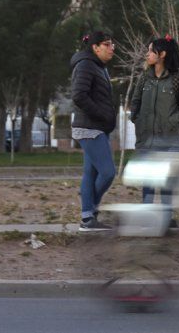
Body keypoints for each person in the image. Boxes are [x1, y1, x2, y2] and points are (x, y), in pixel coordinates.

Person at [129, 35, 179, 225]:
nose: (147, 54)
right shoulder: (145, 77)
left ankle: (167, 216)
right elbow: (135, 101)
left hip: (168, 139)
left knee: (166, 180)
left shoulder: (177, 79)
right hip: (146, 138)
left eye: (151, 51)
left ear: (162, 54)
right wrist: (137, 120)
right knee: (147, 179)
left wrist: (171, 122)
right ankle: (146, 215)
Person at [70, 31, 117, 232]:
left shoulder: (98, 67)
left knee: (90, 173)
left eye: (112, 44)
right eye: (107, 44)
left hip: (97, 127)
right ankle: (90, 209)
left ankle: (88, 218)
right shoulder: (86, 65)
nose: (112, 47)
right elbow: (79, 96)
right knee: (108, 172)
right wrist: (101, 115)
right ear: (95, 47)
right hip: (89, 128)